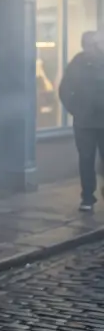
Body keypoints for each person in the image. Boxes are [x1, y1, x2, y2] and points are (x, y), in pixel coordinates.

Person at [58, 30, 104, 211]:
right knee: (86, 159)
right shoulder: (78, 63)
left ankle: (89, 197)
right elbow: (64, 89)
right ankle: (87, 197)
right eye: (98, 41)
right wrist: (75, 109)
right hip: (84, 122)